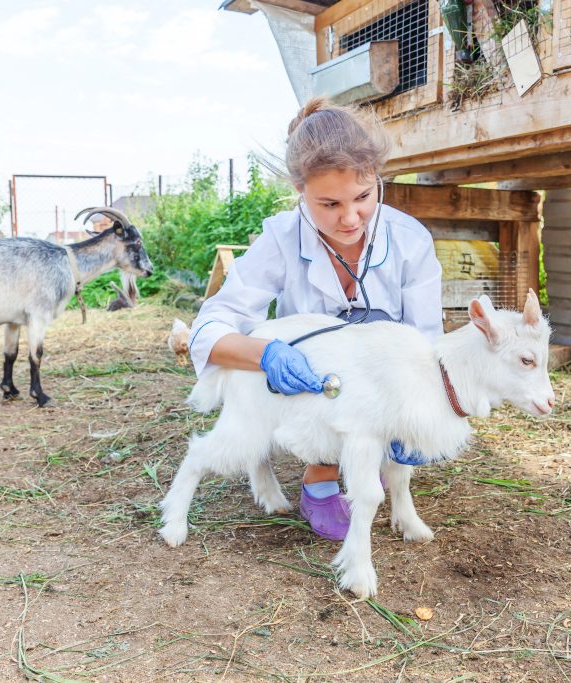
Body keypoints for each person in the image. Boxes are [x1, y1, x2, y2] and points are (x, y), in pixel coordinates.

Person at [188, 97, 443, 540]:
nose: (350, 218)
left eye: (364, 197)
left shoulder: (410, 240)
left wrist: (420, 414)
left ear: (378, 177)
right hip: (316, 391)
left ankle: (378, 458)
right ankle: (319, 475)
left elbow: (426, 341)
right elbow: (213, 325)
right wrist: (265, 352)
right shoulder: (281, 238)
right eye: (328, 204)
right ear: (300, 192)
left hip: (381, 386)